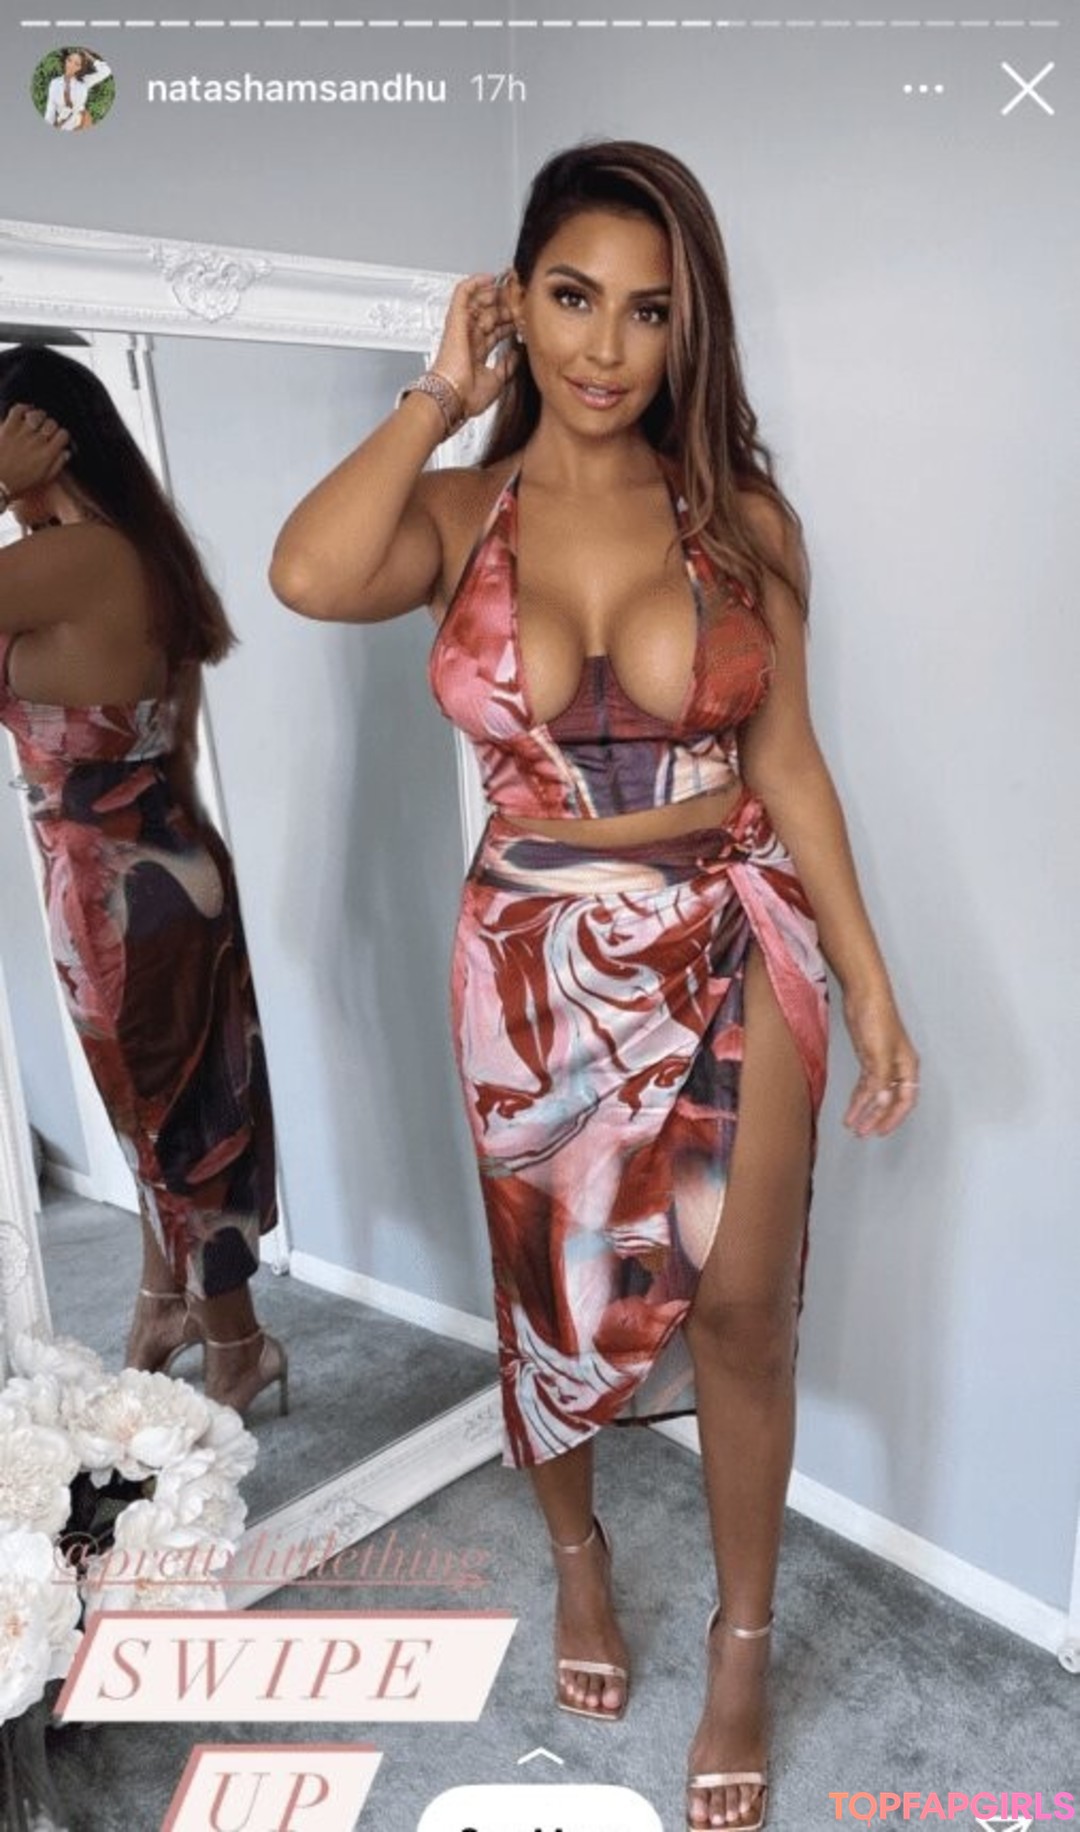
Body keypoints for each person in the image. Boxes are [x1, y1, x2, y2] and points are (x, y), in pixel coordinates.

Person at [269, 140, 918, 1831]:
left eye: (648, 310)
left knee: (745, 1310)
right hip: (532, 969)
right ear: (517, 302)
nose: (606, 346)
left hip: (729, 930)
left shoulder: (743, 524)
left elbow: (790, 761)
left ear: (690, 329)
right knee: (550, 1306)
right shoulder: (456, 514)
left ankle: (742, 1642)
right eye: (571, 298)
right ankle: (577, 1557)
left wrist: (870, 981)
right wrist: (438, 393)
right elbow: (305, 574)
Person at [0, 346, 287, 1422]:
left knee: (170, 1127)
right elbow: (180, 753)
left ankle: (240, 1348)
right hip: (174, 865)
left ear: (39, 439)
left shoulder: (73, 558)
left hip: (112, 891)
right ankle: (167, 1303)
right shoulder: (143, 555)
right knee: (177, 1111)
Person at [43, 49, 112, 132]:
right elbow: (50, 109)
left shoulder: (84, 82)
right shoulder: (55, 83)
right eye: (69, 60)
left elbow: (106, 71)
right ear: (65, 61)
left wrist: (89, 57)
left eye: (76, 64)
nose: (71, 65)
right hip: (62, 123)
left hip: (80, 123)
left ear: (80, 68)